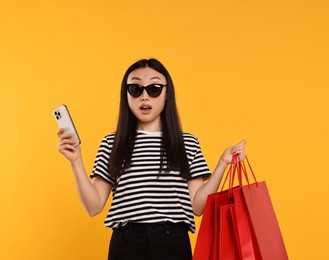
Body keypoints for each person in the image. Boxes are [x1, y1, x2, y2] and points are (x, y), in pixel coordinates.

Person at [57, 58, 246, 260]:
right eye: (136, 89)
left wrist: (222, 164)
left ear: (166, 94)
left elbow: (198, 207)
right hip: (126, 243)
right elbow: (94, 207)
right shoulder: (112, 143)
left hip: (173, 242)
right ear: (126, 94)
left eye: (154, 88)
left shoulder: (186, 142)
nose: (144, 97)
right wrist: (76, 162)